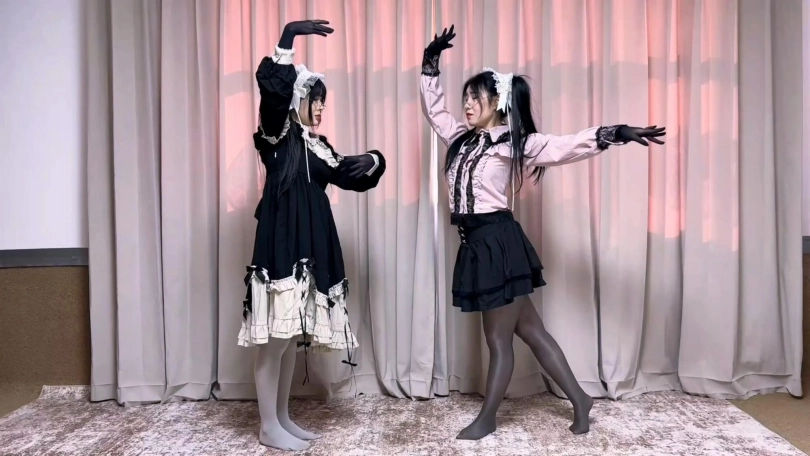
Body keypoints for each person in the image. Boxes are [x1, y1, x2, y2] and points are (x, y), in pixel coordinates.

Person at [419, 25, 665, 440]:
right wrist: (430, 63)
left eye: (475, 97)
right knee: (531, 331)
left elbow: (565, 146)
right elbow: (434, 110)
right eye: (465, 98)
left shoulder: (515, 143)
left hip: (499, 243)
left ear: (498, 103)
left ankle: (488, 417)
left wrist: (615, 133)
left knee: (499, 340)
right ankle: (580, 399)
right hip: (476, 245)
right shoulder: (459, 138)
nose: (467, 104)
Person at [239, 19, 386, 451]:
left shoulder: (317, 146)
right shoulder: (276, 136)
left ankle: (282, 417)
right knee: (275, 340)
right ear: (297, 99)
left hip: (310, 246)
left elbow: (349, 174)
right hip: (281, 243)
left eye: (323, 102)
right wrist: (288, 36)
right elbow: (272, 94)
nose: (321, 109)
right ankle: (268, 426)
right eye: (315, 101)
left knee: (288, 341)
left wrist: (375, 159)